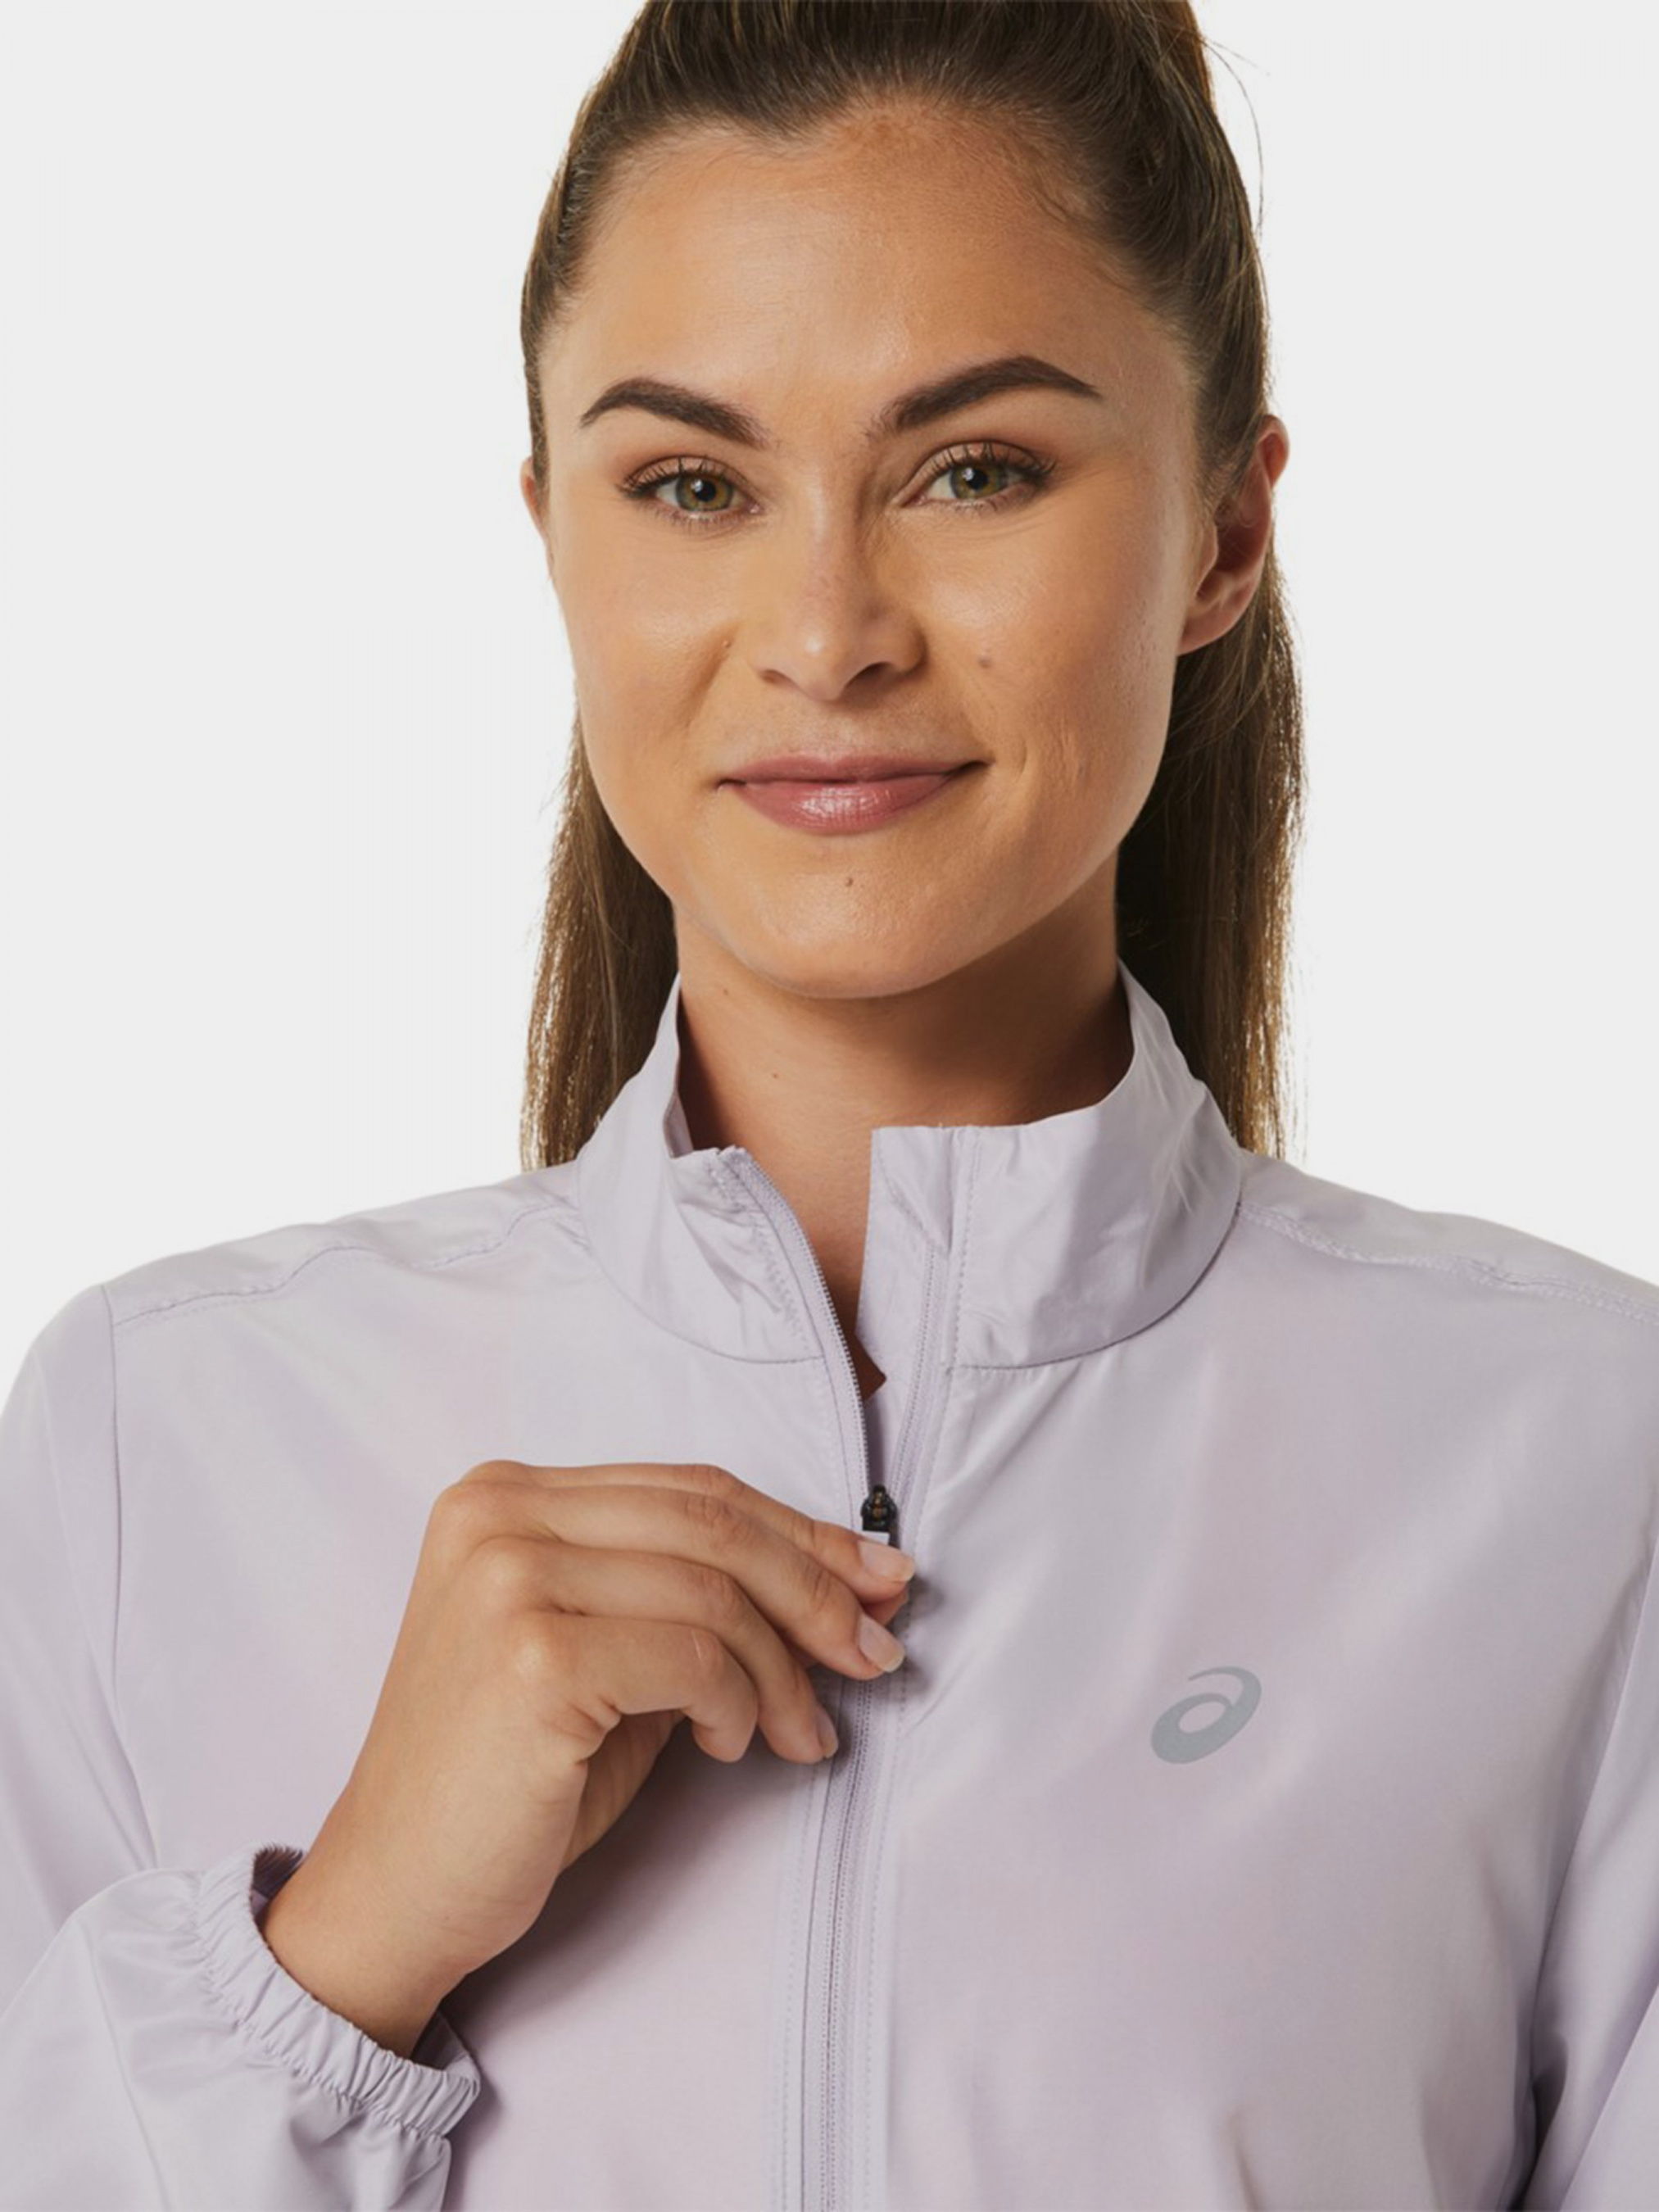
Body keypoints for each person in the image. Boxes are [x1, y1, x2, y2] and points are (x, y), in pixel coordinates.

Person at [1, 2, 1655, 2205]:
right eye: (691, 485)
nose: (824, 629)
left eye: (975, 470)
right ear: (554, 535)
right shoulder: (158, 1440)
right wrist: (346, 1949)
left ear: (1222, 533)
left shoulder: (1584, 1462)